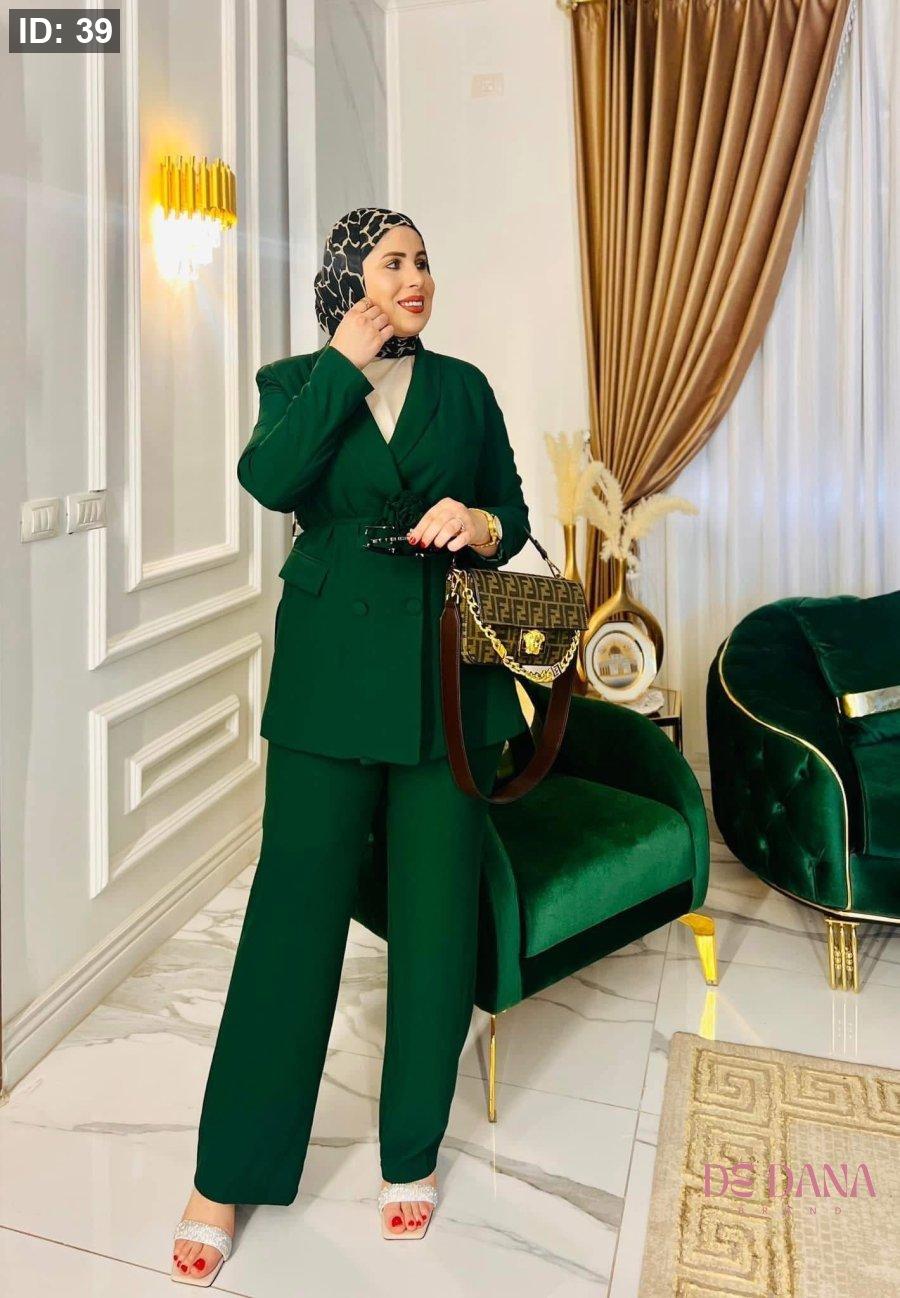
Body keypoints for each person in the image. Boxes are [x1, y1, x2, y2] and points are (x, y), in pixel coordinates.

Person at [171, 207, 531, 1284]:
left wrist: (480, 523)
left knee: (435, 919)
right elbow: (270, 481)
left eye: (423, 260)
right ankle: (225, 1174)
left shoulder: (464, 387)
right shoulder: (296, 381)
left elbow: (512, 510)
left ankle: (409, 1150)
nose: (416, 276)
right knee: (291, 918)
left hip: (446, 687)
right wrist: (342, 364)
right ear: (347, 278)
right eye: (392, 261)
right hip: (329, 683)